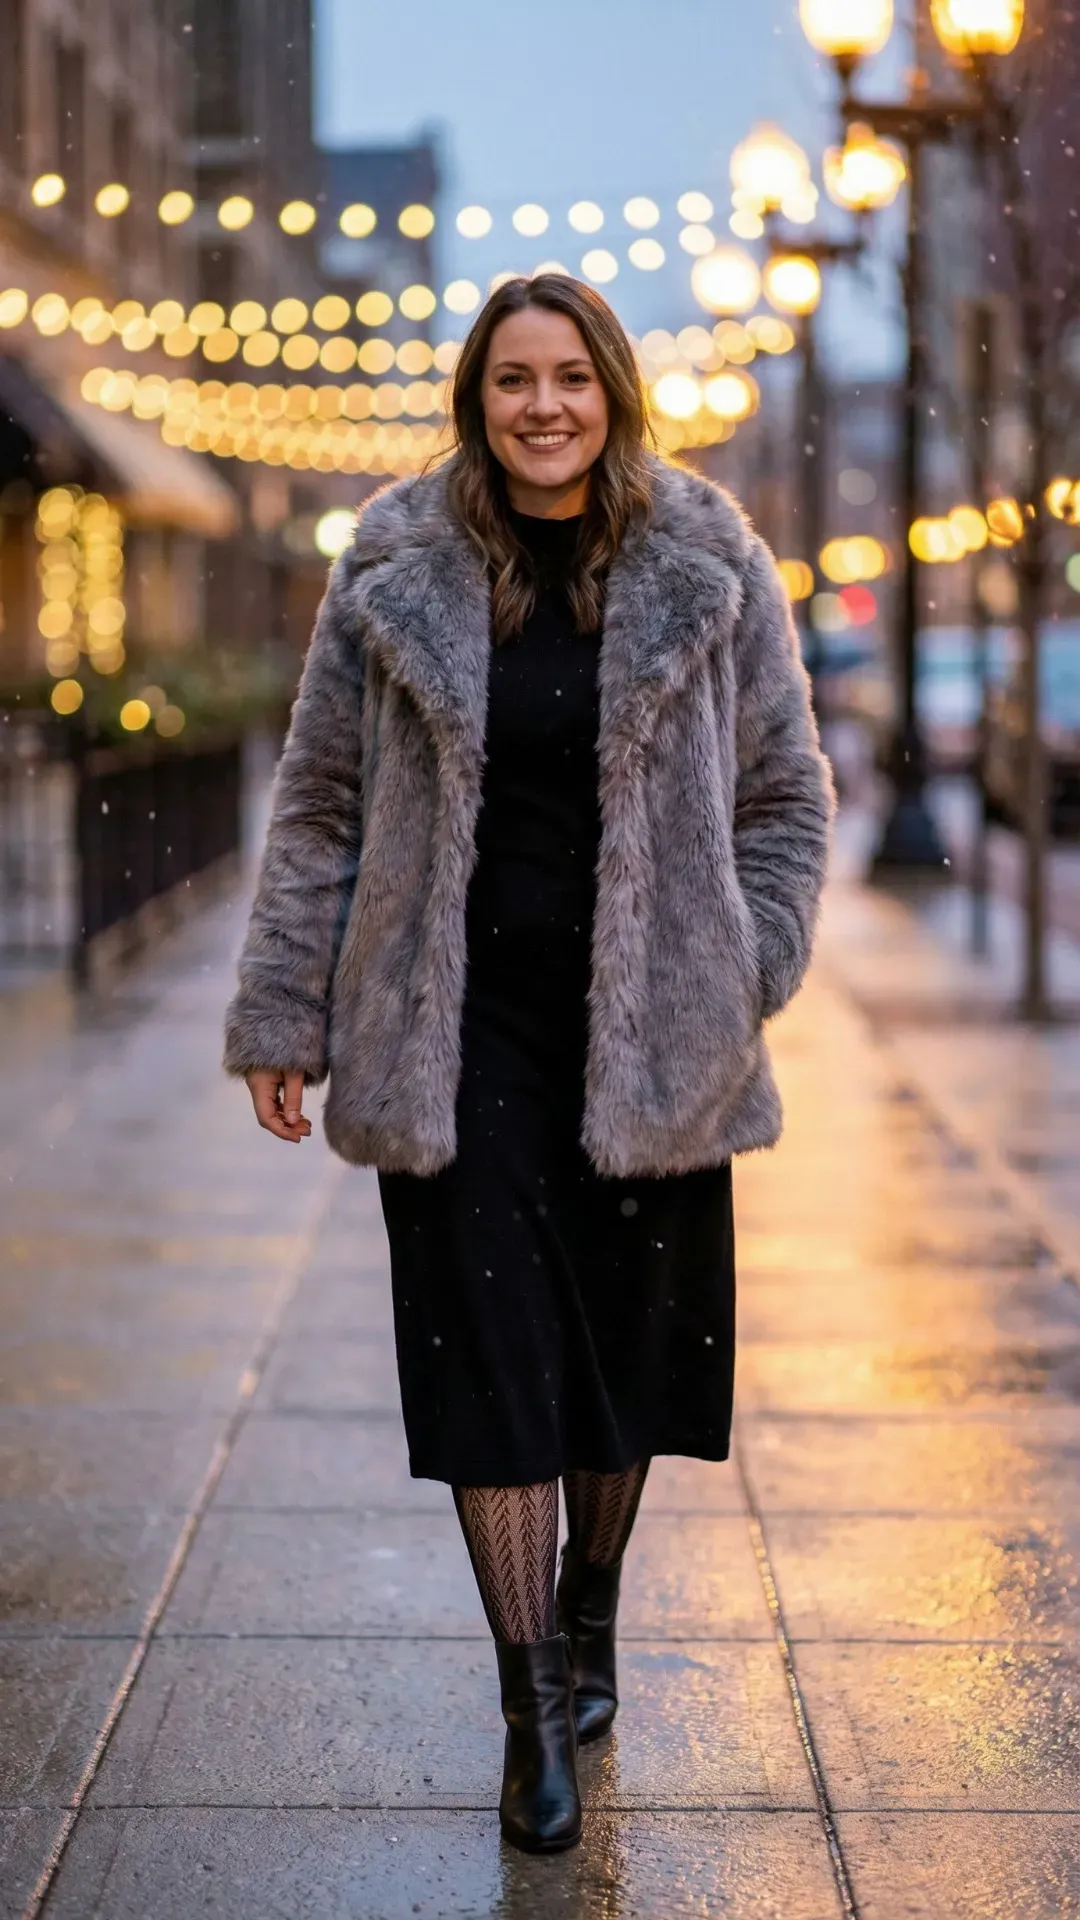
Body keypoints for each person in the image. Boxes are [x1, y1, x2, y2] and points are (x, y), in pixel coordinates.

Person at [223, 273, 833, 1855]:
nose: (543, 407)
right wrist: (287, 1012)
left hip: (650, 1039)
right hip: (456, 1038)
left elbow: (786, 794)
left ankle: (593, 1607)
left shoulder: (712, 560)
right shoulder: (394, 564)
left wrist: (743, 969)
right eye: (513, 381)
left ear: (616, 393)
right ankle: (530, 1705)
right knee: (495, 1372)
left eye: (571, 378)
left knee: (617, 1367)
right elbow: (320, 810)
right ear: (475, 401)